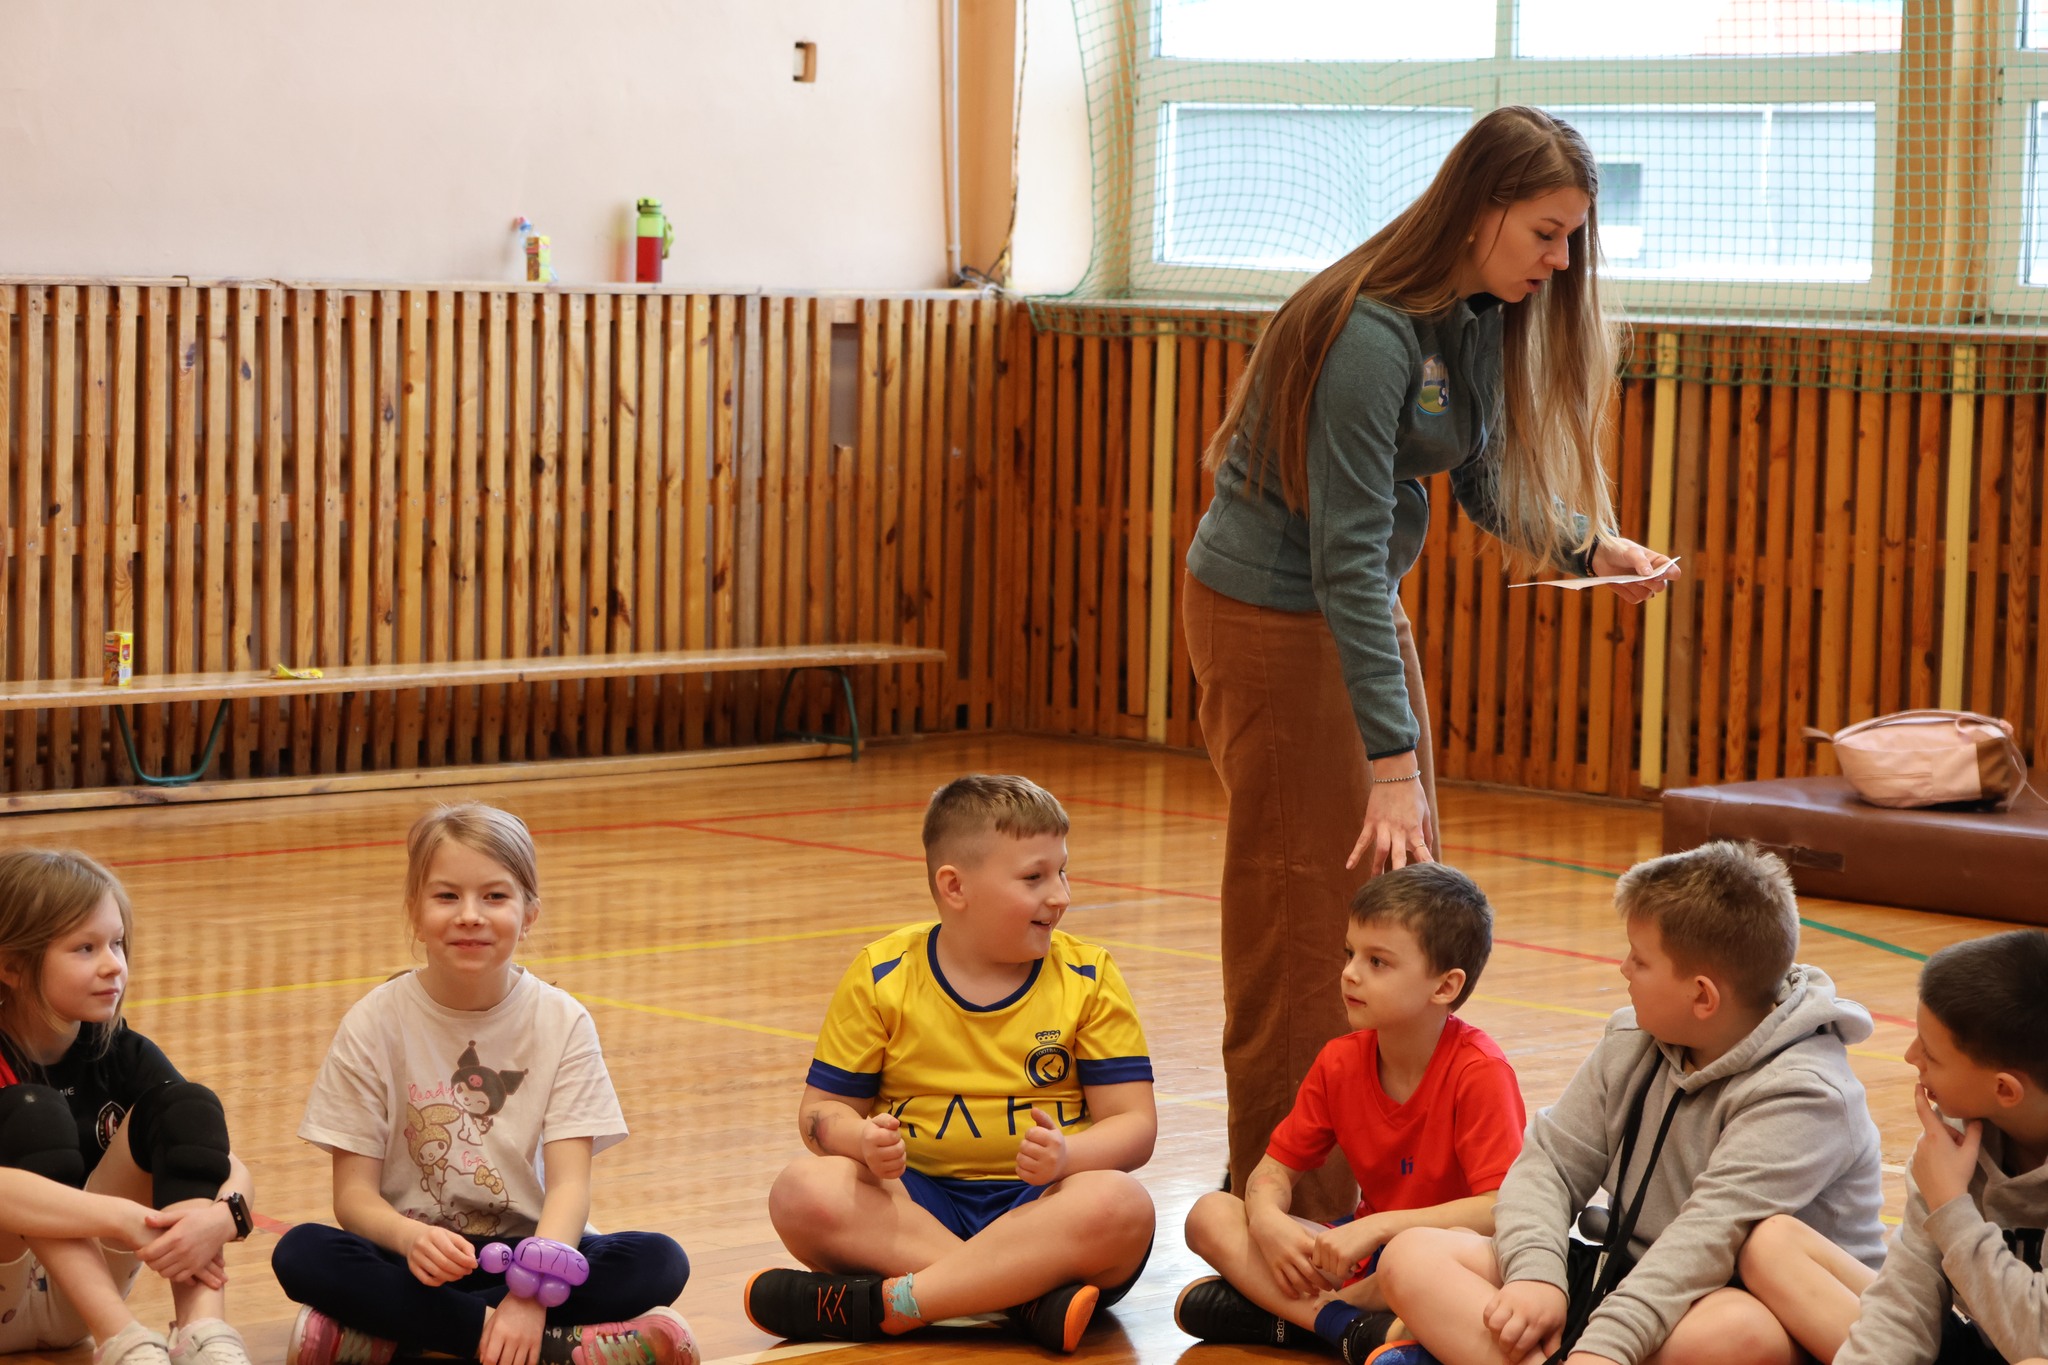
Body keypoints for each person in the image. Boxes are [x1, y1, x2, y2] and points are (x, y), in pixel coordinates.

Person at [1182, 103, 1678, 1218]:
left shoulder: (1471, 314)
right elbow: (1343, 562)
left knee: (1399, 905)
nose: (1560, 262)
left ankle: (1382, 1193)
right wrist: (1390, 763)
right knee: (1305, 914)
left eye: (1571, 239)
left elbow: (1485, 482)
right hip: (1273, 614)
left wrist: (1588, 545)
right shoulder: (1366, 335)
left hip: (1348, 601)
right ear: (1479, 210)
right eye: (1545, 233)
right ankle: (1281, 1210)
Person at [1370, 841, 1885, 1365]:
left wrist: (1603, 1349)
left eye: (1640, 959)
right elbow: (1549, 1165)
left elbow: (1701, 1244)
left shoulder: (1804, 1092)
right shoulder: (1633, 1038)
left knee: (1738, 1331)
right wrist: (1535, 1276)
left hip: (1714, 1297)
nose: (1623, 969)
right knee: (1413, 1255)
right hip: (1621, 1276)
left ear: (1702, 996)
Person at [742, 775, 1156, 1355]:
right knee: (801, 1190)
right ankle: (1019, 1304)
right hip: (914, 1207)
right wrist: (860, 1140)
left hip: (1044, 1208)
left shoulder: (1088, 976)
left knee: (1120, 1204)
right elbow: (820, 1113)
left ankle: (897, 1304)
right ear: (955, 886)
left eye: (1062, 871)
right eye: (1034, 877)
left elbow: (1135, 1126)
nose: (1060, 895)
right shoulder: (883, 973)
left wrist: (1069, 1156)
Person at [270, 803, 694, 1365]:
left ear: (529, 913)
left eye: (494, 896)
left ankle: (401, 1338)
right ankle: (538, 1345)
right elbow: (353, 1198)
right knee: (302, 1251)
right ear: (415, 911)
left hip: (531, 1258)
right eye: (447, 896)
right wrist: (410, 1239)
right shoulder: (374, 1022)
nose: (470, 915)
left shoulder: (562, 1022)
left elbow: (569, 1188)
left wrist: (530, 1294)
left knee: (660, 1260)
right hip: (415, 1256)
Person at [1176, 864, 1525, 1364]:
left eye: (1377, 961)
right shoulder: (1340, 1061)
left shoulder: (1480, 1072)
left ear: (1445, 987)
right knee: (1209, 1215)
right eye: (1350, 953)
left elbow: (1498, 1210)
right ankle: (1351, 1326)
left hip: (1445, 1261)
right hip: (1364, 1255)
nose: (1350, 973)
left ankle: (1295, 1320)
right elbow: (1274, 1171)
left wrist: (1381, 1228)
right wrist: (1267, 1220)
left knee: (1414, 1266)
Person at [1738, 929, 2048, 1365]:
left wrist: (1951, 1207)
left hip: (2034, 1343)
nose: (1910, 1055)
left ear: (2005, 1089)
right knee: (1773, 1243)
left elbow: (2036, 1339)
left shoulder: (1947, 1178)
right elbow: (1906, 1300)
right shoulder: (1954, 1137)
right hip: (1986, 1341)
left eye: (1931, 1054)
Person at [0, 848, 257, 1365]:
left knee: (187, 1107)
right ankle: (124, 1340)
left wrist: (225, 1216)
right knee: (32, 1112)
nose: (114, 965)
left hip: (76, 1302)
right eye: (85, 948)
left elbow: (218, 1163)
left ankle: (204, 1335)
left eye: (116, 943)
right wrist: (119, 1217)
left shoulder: (118, 1049)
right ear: (12, 966)